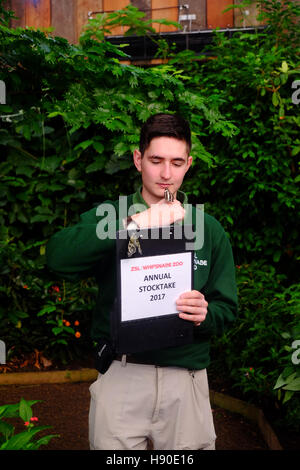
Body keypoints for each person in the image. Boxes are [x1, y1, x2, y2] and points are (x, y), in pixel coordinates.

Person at [46, 113, 238, 450]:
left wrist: (206, 314)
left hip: (186, 377)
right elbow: (58, 258)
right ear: (138, 159)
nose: (166, 174)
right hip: (123, 373)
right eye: (156, 160)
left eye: (177, 162)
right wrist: (136, 222)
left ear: (188, 164)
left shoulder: (208, 228)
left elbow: (227, 309)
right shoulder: (113, 215)